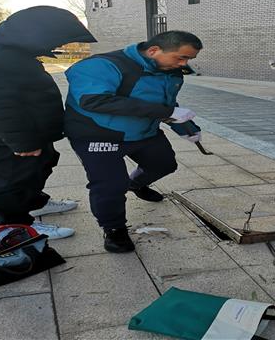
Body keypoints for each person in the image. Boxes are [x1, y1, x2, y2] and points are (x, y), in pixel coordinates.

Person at [0, 6, 97, 239]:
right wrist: (22, 142)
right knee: (10, 180)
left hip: (27, 129)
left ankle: (35, 203)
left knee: (39, 166)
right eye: (56, 40)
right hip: (6, 136)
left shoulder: (7, 51)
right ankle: (15, 225)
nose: (57, 45)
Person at [64, 30, 203, 253]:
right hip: (98, 134)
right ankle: (114, 229)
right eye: (181, 57)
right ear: (154, 50)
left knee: (164, 164)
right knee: (110, 185)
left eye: (189, 59)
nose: (184, 64)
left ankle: (136, 184)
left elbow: (167, 103)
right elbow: (95, 100)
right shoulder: (101, 65)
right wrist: (166, 112)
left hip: (144, 132)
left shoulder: (171, 71)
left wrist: (187, 128)